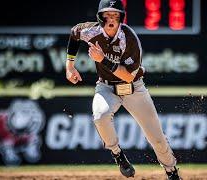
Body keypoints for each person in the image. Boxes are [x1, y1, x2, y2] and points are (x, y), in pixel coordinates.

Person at [65, 0, 181, 179]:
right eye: (108, 15)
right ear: (100, 17)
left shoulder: (129, 38)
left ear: (121, 18)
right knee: (100, 116)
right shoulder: (91, 31)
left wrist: (102, 59)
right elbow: (74, 34)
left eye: (116, 15)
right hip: (106, 87)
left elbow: (128, 76)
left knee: (156, 138)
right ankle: (118, 155)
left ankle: (171, 171)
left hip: (134, 88)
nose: (112, 19)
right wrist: (70, 66)